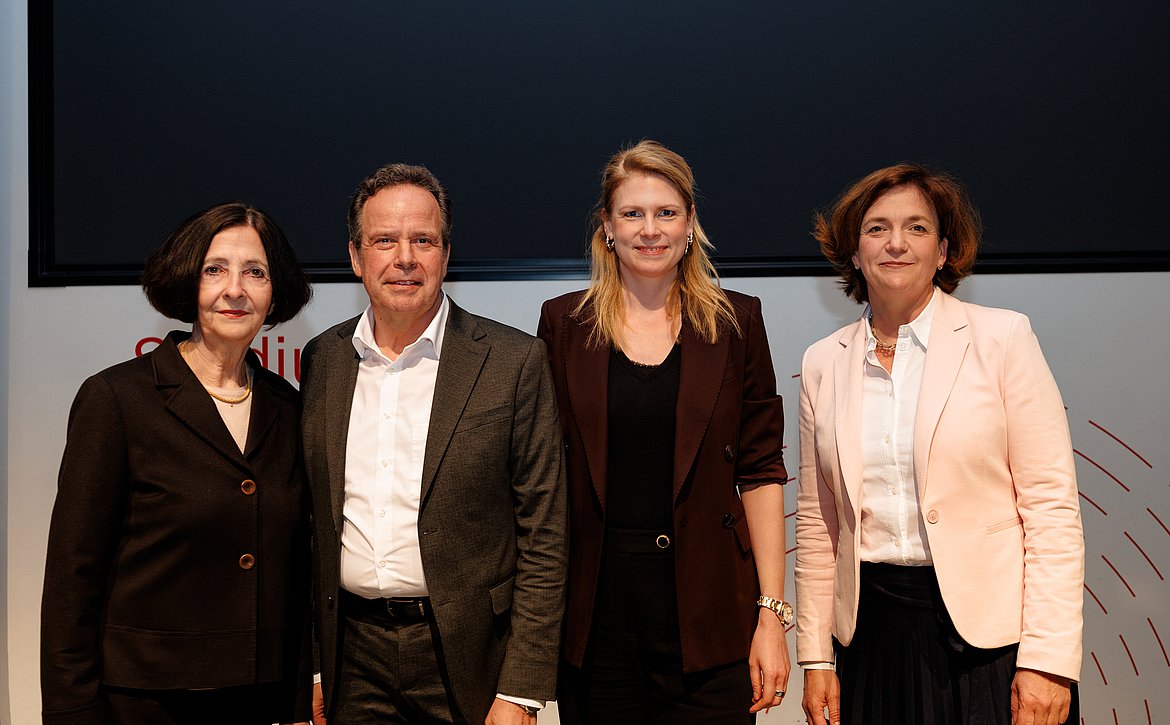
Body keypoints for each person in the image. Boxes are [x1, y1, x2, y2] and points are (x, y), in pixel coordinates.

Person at [795, 163, 1084, 725]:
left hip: (992, 644)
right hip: (869, 641)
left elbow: (1051, 508)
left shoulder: (1003, 338)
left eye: (917, 228)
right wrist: (815, 656)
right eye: (877, 228)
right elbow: (817, 522)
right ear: (854, 251)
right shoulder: (823, 361)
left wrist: (1048, 661)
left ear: (944, 251)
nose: (896, 243)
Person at [300, 163, 567, 724]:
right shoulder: (323, 359)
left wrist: (521, 689)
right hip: (352, 657)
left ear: (446, 255)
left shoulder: (512, 361)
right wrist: (316, 666)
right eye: (384, 241)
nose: (404, 258)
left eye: (422, 240)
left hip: (471, 661)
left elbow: (544, 533)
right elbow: (312, 525)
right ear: (355, 257)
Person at [537, 140, 791, 724]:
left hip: (709, 616)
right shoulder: (564, 323)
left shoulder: (738, 321)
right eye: (632, 213)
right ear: (607, 227)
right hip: (596, 620)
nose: (650, 230)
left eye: (666, 213)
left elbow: (760, 472)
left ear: (690, 224)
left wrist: (771, 615)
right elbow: (542, 479)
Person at [41, 202, 314, 724]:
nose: (235, 289)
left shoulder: (288, 406)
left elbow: (298, 572)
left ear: (275, 290)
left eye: (255, 272)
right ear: (189, 280)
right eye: (215, 270)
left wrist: (298, 703)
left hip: (260, 701)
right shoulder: (117, 400)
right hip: (142, 703)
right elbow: (72, 581)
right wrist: (71, 712)